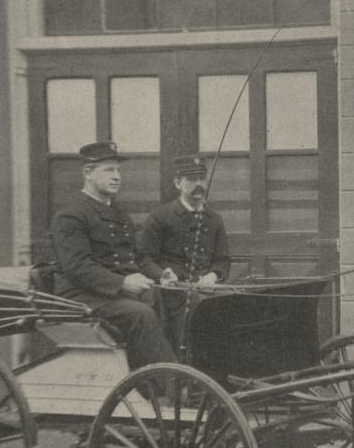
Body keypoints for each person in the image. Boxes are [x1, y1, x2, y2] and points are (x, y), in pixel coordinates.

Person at [51, 141, 177, 370]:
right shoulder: (71, 215)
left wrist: (160, 275)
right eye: (109, 170)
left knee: (172, 300)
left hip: (113, 296)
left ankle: (159, 381)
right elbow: (77, 267)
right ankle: (173, 387)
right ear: (88, 173)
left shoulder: (119, 215)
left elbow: (138, 258)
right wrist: (122, 282)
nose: (117, 176)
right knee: (140, 314)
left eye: (118, 170)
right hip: (83, 297)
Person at [141, 154, 232, 354]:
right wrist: (161, 274)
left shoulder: (214, 219)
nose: (198, 184)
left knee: (233, 302)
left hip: (207, 289)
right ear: (177, 183)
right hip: (173, 293)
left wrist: (212, 276)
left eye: (202, 178)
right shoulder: (160, 217)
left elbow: (222, 260)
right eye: (191, 180)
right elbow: (145, 259)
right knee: (199, 307)